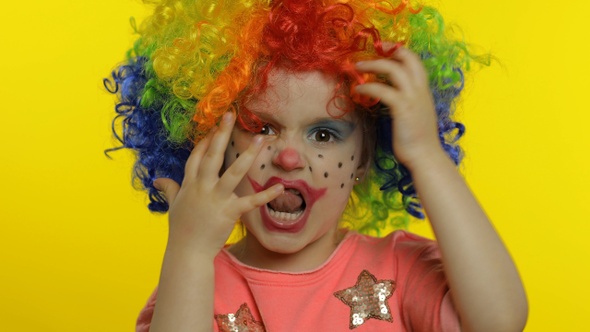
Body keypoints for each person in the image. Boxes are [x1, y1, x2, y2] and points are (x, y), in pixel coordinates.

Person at [105, 0, 528, 331]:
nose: (289, 158)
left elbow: (500, 321)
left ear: (365, 155)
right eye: (263, 127)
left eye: (324, 134)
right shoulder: (191, 285)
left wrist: (425, 154)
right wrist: (189, 250)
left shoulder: (399, 271)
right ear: (211, 143)